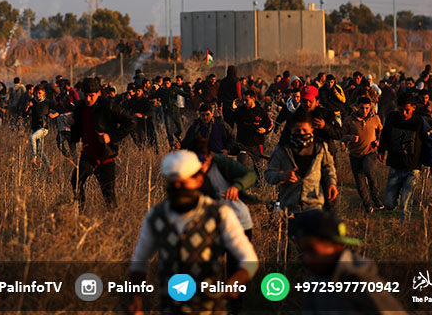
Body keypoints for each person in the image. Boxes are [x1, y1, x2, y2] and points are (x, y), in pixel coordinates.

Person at [128, 150, 258, 315]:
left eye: (183, 184)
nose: (178, 189)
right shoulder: (156, 216)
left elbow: (249, 259)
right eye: (173, 184)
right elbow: (139, 261)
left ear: (198, 180)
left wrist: (234, 283)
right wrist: (135, 299)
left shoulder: (219, 214)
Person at [293, 211, 407, 314]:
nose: (306, 259)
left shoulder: (363, 284)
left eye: (312, 251)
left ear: (337, 247)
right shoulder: (315, 284)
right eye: (304, 251)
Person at [69, 78, 134, 208]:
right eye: (85, 95)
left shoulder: (108, 106)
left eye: (91, 96)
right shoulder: (80, 108)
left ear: (98, 93)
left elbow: (130, 122)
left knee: (109, 196)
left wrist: (111, 136)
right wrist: (72, 125)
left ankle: (113, 222)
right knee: (76, 182)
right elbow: (77, 134)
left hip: (105, 157)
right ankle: (79, 214)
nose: (88, 99)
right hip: (88, 155)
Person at [378, 95, 432, 220]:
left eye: (407, 110)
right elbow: (385, 134)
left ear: (414, 108)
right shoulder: (392, 118)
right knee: (389, 203)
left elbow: (431, 142)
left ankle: (404, 228)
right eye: (401, 110)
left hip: (412, 167)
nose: (404, 113)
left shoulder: (419, 122)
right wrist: (381, 150)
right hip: (396, 165)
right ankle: (396, 199)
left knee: (406, 202)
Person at [265, 110, 337, 216]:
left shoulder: (320, 147)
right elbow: (269, 174)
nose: (301, 134)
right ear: (291, 130)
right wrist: (282, 176)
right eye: (297, 131)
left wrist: (331, 183)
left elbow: (328, 167)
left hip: (314, 204)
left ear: (312, 129)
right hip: (290, 207)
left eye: (305, 130)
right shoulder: (282, 149)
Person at [341, 98, 383, 212]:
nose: (364, 111)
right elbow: (341, 135)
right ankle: (367, 205)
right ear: (357, 107)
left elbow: (380, 130)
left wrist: (378, 140)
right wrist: (350, 138)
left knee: (368, 170)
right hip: (355, 154)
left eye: (366, 108)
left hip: (369, 152)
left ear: (370, 107)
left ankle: (375, 197)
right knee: (360, 182)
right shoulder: (349, 120)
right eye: (362, 108)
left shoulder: (375, 118)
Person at [24, 84, 54, 171]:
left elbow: (58, 109)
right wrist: (28, 107)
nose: (38, 95)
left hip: (43, 128)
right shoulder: (32, 101)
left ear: (44, 93)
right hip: (34, 127)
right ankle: (49, 166)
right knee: (40, 150)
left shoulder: (47, 102)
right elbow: (24, 115)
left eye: (40, 93)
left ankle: (33, 158)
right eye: (36, 93)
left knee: (32, 138)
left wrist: (54, 114)